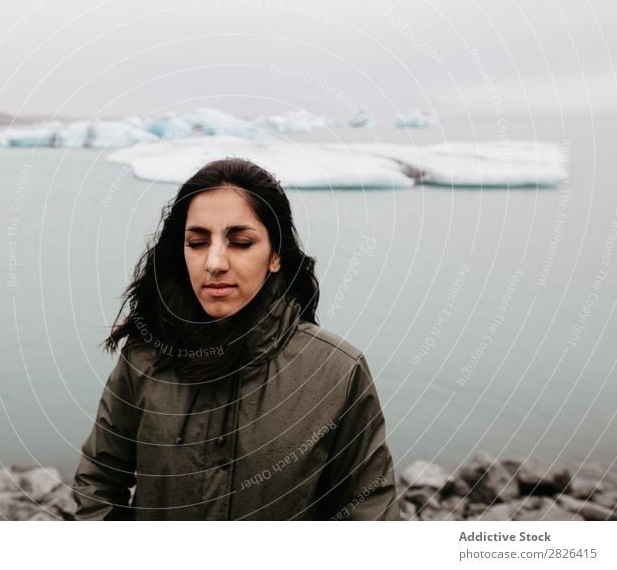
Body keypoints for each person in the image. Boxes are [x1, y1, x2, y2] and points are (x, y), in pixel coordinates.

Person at [72, 158, 400, 520]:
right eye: (197, 242)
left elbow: (370, 512)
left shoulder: (335, 371)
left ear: (275, 255)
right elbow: (99, 483)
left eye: (240, 243)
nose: (214, 262)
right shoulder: (146, 359)